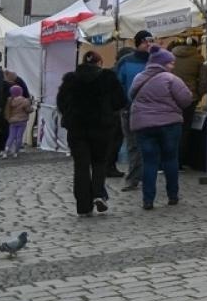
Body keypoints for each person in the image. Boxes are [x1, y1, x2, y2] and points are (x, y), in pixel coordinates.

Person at [57, 50, 125, 216]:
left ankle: (83, 205)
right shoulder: (108, 78)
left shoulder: (70, 79)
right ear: (99, 62)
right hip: (101, 128)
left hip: (77, 129)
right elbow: (120, 101)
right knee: (99, 163)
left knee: (80, 166)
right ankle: (98, 194)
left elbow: (60, 103)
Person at [129, 48, 193, 209]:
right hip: (169, 124)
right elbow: (186, 100)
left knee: (149, 162)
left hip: (144, 125)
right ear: (162, 63)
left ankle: (148, 200)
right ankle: (173, 195)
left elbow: (131, 96)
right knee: (170, 159)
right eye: (171, 63)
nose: (173, 66)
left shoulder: (139, 77)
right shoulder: (170, 79)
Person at [113, 35, 152, 187]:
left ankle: (145, 175)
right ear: (138, 44)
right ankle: (134, 176)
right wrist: (122, 104)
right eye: (145, 42)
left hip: (150, 108)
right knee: (132, 143)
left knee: (148, 143)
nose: (148, 44)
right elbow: (118, 84)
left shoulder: (155, 60)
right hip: (129, 108)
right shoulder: (126, 61)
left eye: (150, 41)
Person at [167, 38, 207, 169]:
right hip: (190, 98)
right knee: (184, 130)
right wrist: (198, 94)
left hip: (171, 96)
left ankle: (167, 160)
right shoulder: (198, 58)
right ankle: (179, 162)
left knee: (169, 128)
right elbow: (204, 81)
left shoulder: (170, 56)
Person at [0, 70, 31, 154]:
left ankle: (3, 148)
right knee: (17, 135)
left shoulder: (8, 97)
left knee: (7, 133)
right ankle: (16, 149)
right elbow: (27, 106)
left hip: (9, 117)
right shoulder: (16, 89)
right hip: (20, 119)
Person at [2, 85, 33, 158]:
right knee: (19, 137)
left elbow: (7, 110)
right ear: (21, 92)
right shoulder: (25, 100)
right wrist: (32, 108)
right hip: (22, 121)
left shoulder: (10, 100)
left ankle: (6, 151)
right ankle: (15, 152)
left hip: (12, 121)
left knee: (11, 136)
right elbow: (28, 110)